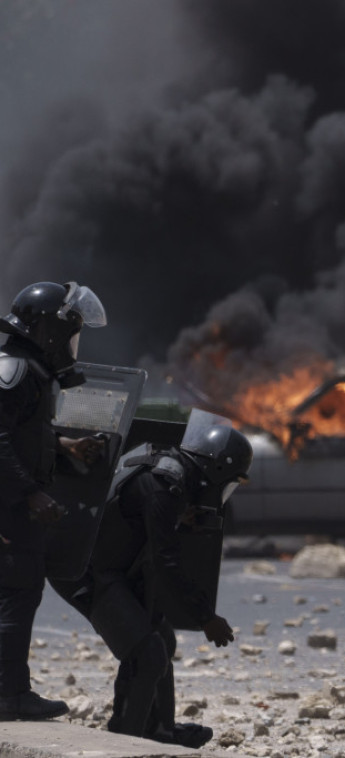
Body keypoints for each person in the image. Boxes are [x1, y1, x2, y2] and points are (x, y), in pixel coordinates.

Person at [51, 417, 253, 747]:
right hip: (88, 573)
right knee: (147, 655)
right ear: (215, 469)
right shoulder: (166, 484)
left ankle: (160, 731)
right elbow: (166, 562)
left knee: (160, 638)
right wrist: (206, 618)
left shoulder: (170, 470)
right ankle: (126, 742)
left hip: (107, 567)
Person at [0, 281, 108, 720]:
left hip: (12, 503)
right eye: (70, 332)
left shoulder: (25, 368)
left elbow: (26, 432)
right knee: (17, 593)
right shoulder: (16, 370)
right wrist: (31, 493)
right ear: (47, 329)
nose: (71, 344)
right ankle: (10, 697)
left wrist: (65, 446)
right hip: (9, 507)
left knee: (15, 593)